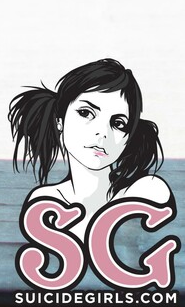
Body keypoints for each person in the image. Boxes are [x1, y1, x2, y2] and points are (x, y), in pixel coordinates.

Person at [9, 58, 171, 229]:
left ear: (128, 137)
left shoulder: (147, 191)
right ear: (60, 121)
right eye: (86, 113)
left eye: (118, 123)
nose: (103, 133)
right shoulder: (46, 201)